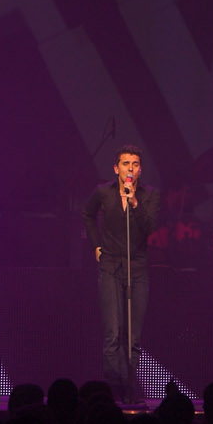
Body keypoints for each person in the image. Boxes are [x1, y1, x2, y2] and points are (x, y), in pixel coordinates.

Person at [82, 145, 161, 403]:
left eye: (135, 164)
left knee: (133, 336)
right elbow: (87, 213)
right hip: (110, 267)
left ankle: (129, 387)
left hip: (137, 268)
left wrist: (134, 203)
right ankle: (114, 388)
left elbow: (150, 227)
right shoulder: (103, 192)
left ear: (140, 170)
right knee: (113, 334)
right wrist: (96, 245)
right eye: (126, 164)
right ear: (116, 168)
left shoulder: (150, 195)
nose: (130, 169)